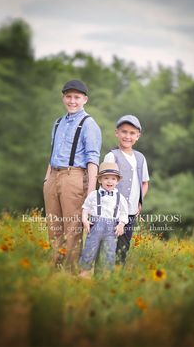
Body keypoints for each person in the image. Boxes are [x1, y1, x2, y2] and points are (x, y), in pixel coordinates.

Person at [43, 80, 102, 271]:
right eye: (68, 96)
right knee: (54, 227)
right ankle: (55, 269)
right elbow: (52, 153)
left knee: (72, 228)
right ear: (63, 98)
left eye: (77, 97)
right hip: (53, 176)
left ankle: (70, 272)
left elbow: (93, 159)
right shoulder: (58, 123)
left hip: (74, 177)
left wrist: (91, 192)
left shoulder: (89, 124)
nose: (72, 101)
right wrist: (47, 179)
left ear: (85, 99)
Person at [104, 115, 149, 265]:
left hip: (130, 212)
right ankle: (102, 275)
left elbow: (144, 183)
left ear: (138, 136)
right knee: (108, 245)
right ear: (117, 133)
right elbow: (104, 184)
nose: (127, 136)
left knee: (123, 247)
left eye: (132, 133)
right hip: (111, 212)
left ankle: (117, 276)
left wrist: (139, 203)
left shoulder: (140, 158)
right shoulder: (112, 156)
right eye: (124, 132)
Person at [79, 162, 128, 278]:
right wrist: (85, 220)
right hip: (95, 226)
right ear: (100, 180)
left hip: (111, 229)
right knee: (90, 249)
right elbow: (85, 208)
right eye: (106, 178)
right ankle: (84, 273)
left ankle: (104, 276)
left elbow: (124, 213)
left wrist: (121, 224)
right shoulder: (93, 195)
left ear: (117, 181)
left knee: (109, 252)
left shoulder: (120, 198)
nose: (109, 181)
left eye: (113, 179)